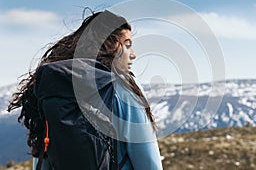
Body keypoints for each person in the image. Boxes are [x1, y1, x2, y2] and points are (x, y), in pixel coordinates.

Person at [8, 10, 163, 170]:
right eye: (128, 45)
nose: (133, 55)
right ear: (110, 45)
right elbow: (149, 164)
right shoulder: (121, 91)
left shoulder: (53, 86)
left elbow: (43, 157)